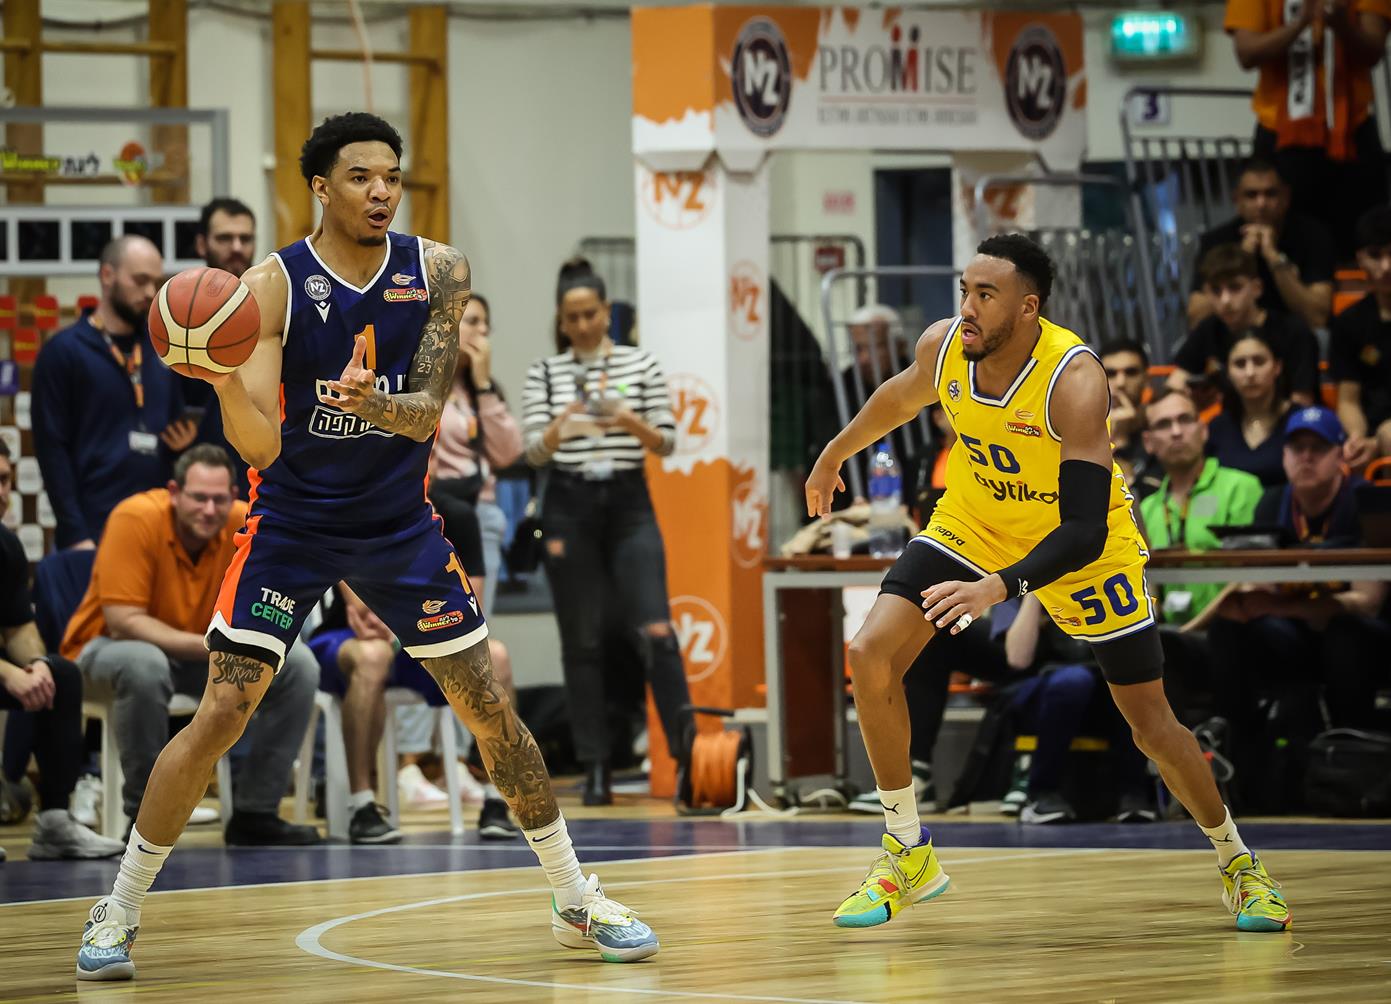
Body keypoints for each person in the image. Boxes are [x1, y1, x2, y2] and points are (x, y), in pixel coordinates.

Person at [73, 113, 657, 982]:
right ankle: (117, 911)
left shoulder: (439, 270)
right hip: (292, 522)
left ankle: (576, 896)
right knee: (223, 709)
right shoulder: (269, 286)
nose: (381, 192)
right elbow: (260, 447)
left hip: (397, 524)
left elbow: (424, 415)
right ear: (320, 187)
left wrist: (369, 403)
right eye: (360, 177)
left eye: (391, 177)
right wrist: (222, 378)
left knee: (486, 704)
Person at [806, 233, 1289, 933]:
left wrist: (998, 588)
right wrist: (833, 454)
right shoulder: (944, 346)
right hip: (974, 521)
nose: (967, 308)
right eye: (965, 291)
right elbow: (899, 397)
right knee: (869, 652)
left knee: (1151, 726)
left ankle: (1238, 862)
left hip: (1082, 547)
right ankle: (906, 849)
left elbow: (1083, 530)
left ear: (1028, 307)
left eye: (985, 295)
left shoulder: (1074, 378)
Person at [60, 444, 320, 843]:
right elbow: (123, 621)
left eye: (219, 499)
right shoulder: (135, 517)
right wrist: (218, 646)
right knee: (144, 664)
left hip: (198, 655)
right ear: (174, 492)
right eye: (199, 498)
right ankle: (144, 818)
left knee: (299, 664)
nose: (209, 510)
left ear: (233, 495)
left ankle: (255, 813)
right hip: (107, 651)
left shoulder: (246, 520)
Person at [522, 262, 692, 807]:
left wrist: (625, 418)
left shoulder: (640, 363)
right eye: (572, 317)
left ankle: (688, 761)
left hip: (627, 502)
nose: (582, 325)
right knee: (582, 640)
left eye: (590, 314)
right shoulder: (546, 372)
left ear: (607, 312)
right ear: (560, 320)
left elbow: (667, 441)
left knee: (657, 630)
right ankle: (596, 766)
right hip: (569, 505)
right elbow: (532, 451)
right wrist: (564, 422)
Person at [1208, 406, 1388, 805]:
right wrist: (1263, 607)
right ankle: (1237, 756)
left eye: (1317, 448)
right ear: (1284, 456)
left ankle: (1350, 762)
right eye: (1296, 448)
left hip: (1356, 636)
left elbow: (1367, 602)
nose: (1306, 457)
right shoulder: (1272, 501)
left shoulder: (1364, 500)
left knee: (1346, 633)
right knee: (1229, 630)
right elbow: (1253, 591)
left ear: (1340, 455)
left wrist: (1279, 607)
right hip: (1296, 634)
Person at [0, 439, 125, 862]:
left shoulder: (7, 546)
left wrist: (35, 665)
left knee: (61, 674)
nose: (1, 491)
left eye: (5, 480)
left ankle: (55, 822)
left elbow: (18, 626)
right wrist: (8, 674)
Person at [31, 236, 199, 550]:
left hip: (160, 528)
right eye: (140, 280)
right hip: (93, 528)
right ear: (107, 275)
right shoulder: (64, 351)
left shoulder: (163, 349)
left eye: (156, 282)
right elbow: (52, 449)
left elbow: (177, 425)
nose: (149, 292)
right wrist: (75, 532)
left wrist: (183, 446)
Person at [1225, 0, 1391, 258]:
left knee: (1366, 239)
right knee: (1285, 238)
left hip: (1350, 131)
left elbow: (1373, 51)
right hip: (1280, 132)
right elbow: (1246, 53)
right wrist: (1301, 23)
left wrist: (1341, 23)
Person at [1139, 389, 1265, 627]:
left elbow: (1248, 574)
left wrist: (1190, 629)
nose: (1176, 432)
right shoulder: (1146, 508)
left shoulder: (1240, 487)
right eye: (1164, 424)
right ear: (1148, 442)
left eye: (1185, 419)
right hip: (1166, 632)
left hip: (1231, 629)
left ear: (1203, 430)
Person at [1187, 158, 1335, 331]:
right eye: (1251, 195)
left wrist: (1274, 258)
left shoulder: (1312, 236)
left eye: (1270, 194)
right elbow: (1197, 318)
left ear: (1286, 197)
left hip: (1293, 335)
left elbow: (1317, 317)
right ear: (1237, 200)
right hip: (1232, 336)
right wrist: (1242, 258)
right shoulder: (1215, 241)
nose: (1261, 204)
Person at [1169, 244, 1321, 407]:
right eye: (1216, 290)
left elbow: (1302, 401)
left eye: (1235, 287)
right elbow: (1175, 383)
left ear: (1257, 288)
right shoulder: (1208, 329)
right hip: (1232, 420)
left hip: (1289, 419)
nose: (1225, 300)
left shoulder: (1294, 331)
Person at [1331, 205, 1391, 467]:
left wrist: (1381, 440)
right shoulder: (1349, 322)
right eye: (1375, 255)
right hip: (1375, 432)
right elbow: (1348, 400)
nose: (1386, 266)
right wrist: (1358, 439)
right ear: (1360, 259)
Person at [1204, 330, 1295, 487]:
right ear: (1228, 372)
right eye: (1240, 364)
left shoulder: (1300, 422)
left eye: (1259, 362)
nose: (1250, 373)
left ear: (1277, 367)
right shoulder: (1217, 427)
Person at [1098, 337, 1161, 497]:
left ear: (1146, 379)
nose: (1120, 382)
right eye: (1111, 374)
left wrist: (1121, 443)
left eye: (1131, 372)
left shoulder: (1166, 423)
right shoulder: (1082, 430)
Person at [195, 198, 256, 278]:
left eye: (245, 239)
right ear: (202, 245)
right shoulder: (183, 285)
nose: (237, 248)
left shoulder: (271, 285)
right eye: (225, 238)